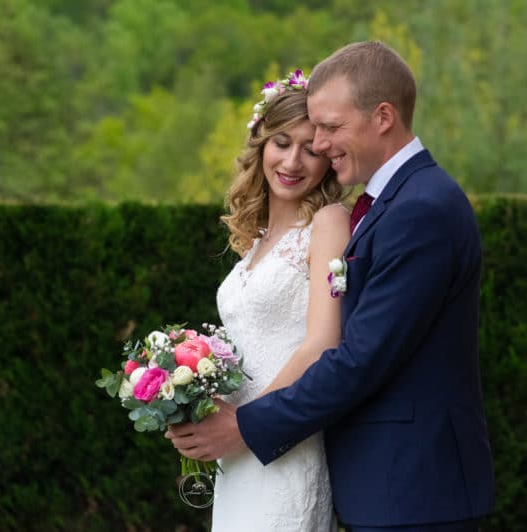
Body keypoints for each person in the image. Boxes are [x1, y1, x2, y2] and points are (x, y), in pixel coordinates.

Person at [167, 42, 495, 531]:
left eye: (329, 128)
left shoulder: (419, 209)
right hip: (380, 483)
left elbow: (359, 357)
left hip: (414, 487)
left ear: (382, 117)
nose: (317, 145)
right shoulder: (391, 203)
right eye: (298, 135)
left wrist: (243, 425)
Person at [206, 69, 351, 531]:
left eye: (311, 148)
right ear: (260, 146)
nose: (293, 161)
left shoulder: (329, 223)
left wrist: (245, 425)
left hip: (281, 447)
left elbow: (321, 343)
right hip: (235, 458)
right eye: (282, 143)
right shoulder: (256, 241)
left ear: (328, 159)